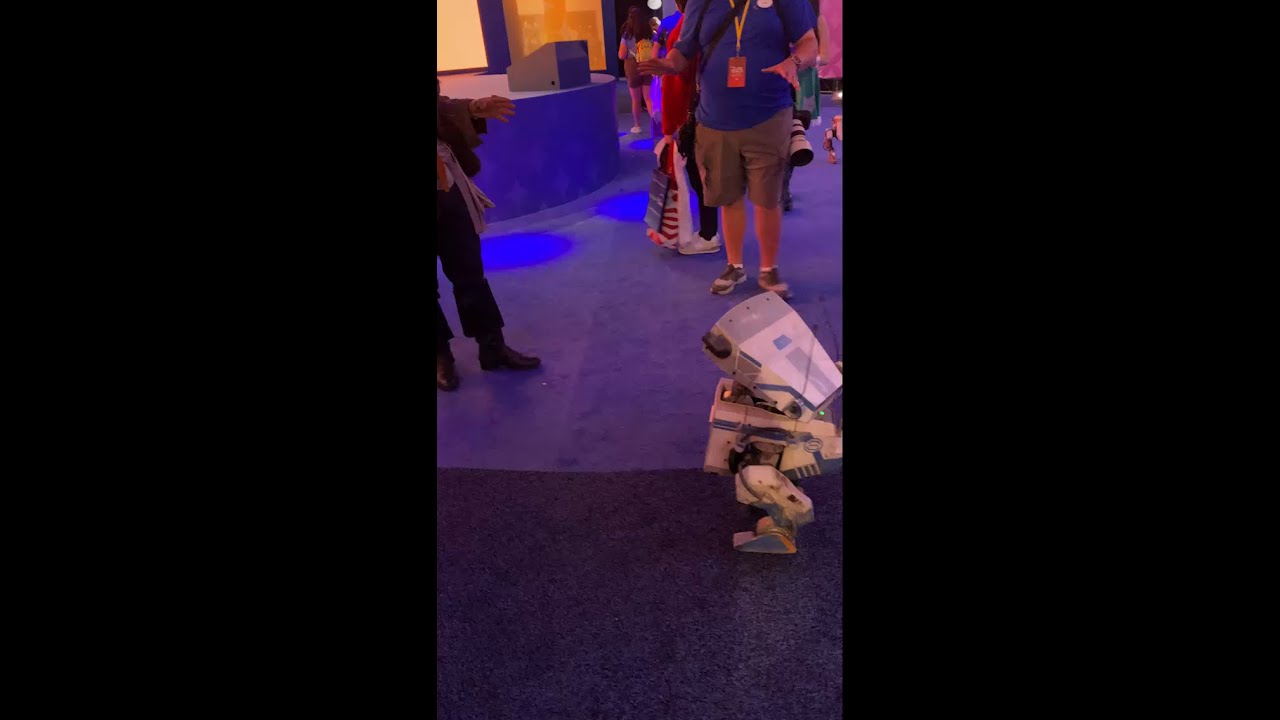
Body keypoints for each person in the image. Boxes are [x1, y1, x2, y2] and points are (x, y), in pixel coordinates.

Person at [641, 0, 818, 299]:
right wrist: (670, 64)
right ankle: (734, 266)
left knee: (768, 198)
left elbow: (809, 42)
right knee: (727, 196)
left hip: (769, 114)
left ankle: (768, 269)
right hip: (715, 118)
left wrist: (795, 62)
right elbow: (684, 50)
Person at [436, 78, 540, 392]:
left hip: (445, 185)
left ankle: (492, 347)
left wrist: (471, 108)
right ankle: (440, 356)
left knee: (470, 271)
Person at [654, 0, 720, 255]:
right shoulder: (707, 22)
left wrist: (669, 127)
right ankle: (709, 231)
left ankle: (708, 234)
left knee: (699, 175)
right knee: (706, 173)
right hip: (712, 110)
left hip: (692, 116)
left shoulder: (684, 29)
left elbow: (676, 85)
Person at [618, 7, 657, 135]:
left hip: (632, 67)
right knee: (648, 98)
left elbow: (621, 55)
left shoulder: (627, 35)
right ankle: (655, 124)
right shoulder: (650, 34)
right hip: (647, 66)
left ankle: (637, 125)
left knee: (636, 99)